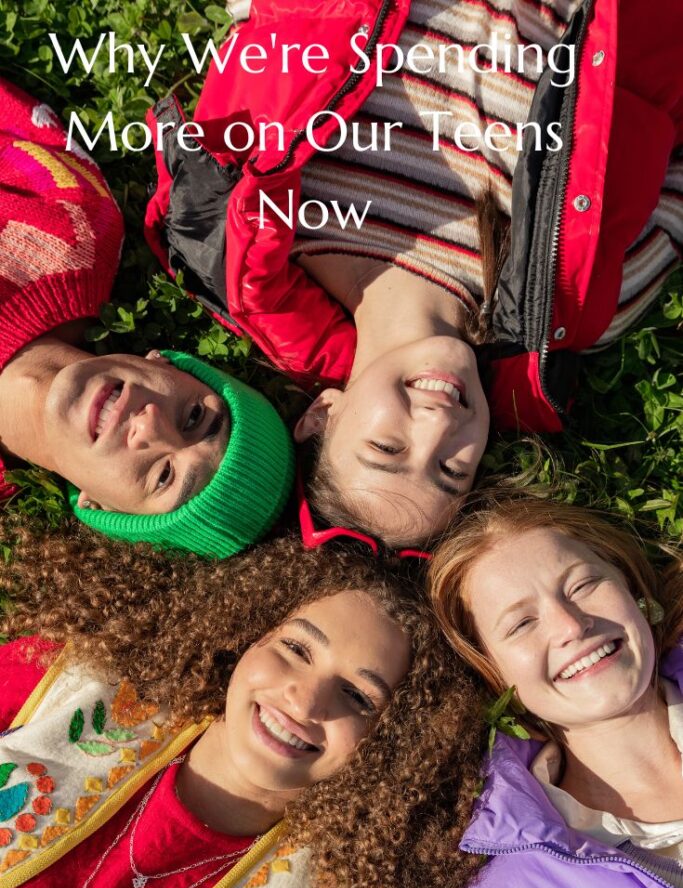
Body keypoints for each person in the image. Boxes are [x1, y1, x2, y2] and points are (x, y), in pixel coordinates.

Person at [145, 0, 683, 548]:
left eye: (388, 449)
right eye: (451, 471)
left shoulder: (251, 215)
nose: (437, 425)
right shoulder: (583, 301)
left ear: (323, 415)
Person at [0, 523, 485, 888]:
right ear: (246, 634)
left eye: (358, 697)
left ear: (389, 747)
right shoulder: (64, 688)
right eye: (296, 650)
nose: (305, 700)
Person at [0, 77, 294, 558]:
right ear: (168, 364)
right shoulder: (71, 221)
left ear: (102, 510)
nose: (151, 421)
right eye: (195, 415)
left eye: (163, 476)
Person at [427, 494, 683, 888]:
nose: (571, 625)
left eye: (584, 585)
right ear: (495, 676)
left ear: (635, 590)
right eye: (520, 624)